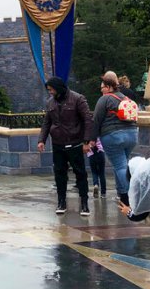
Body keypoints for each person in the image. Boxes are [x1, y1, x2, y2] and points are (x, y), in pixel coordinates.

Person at [37, 76, 93, 216]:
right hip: (58, 143)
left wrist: (87, 141)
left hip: (75, 142)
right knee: (59, 174)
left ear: (58, 88)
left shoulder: (77, 99)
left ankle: (84, 203)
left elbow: (87, 120)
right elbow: (47, 123)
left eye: (51, 89)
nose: (49, 92)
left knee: (80, 173)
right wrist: (41, 140)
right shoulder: (50, 103)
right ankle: (61, 202)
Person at [91, 71, 138, 206]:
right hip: (132, 135)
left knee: (120, 166)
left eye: (102, 87)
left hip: (113, 136)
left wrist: (92, 139)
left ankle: (128, 197)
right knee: (122, 164)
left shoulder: (105, 99)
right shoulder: (125, 98)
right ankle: (121, 194)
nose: (101, 90)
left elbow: (96, 120)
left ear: (108, 86)